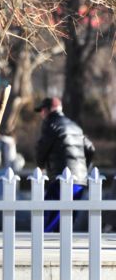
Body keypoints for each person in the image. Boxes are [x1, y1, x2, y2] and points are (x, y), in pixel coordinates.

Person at [34, 96, 95, 232]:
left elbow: (42, 148)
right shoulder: (75, 126)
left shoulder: (52, 124)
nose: (41, 115)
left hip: (60, 178)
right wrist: (84, 168)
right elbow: (90, 148)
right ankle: (62, 250)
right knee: (67, 219)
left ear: (47, 110)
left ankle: (47, 249)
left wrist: (40, 165)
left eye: (42, 111)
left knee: (50, 219)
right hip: (79, 181)